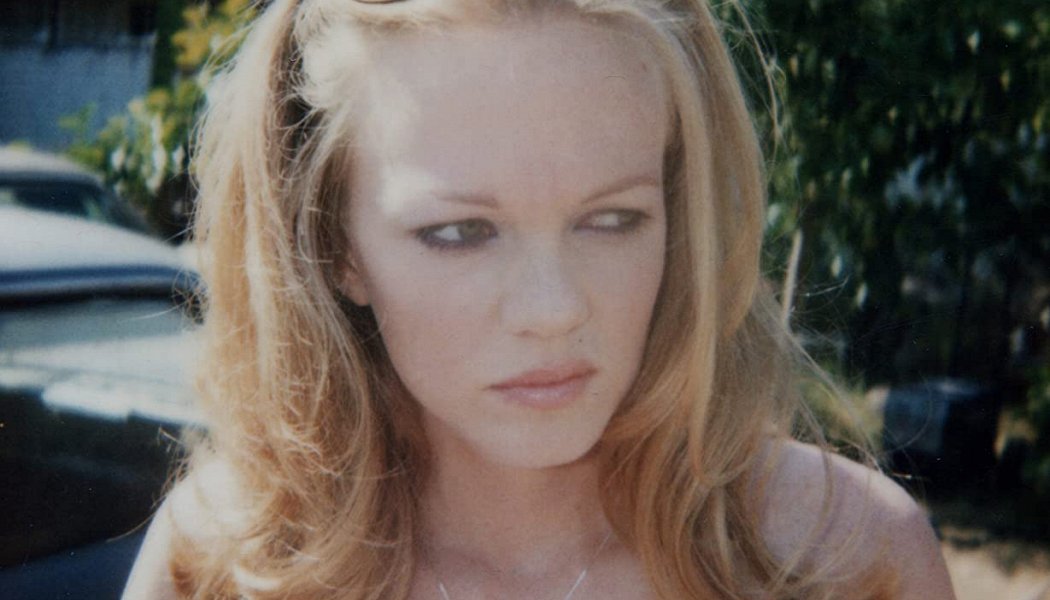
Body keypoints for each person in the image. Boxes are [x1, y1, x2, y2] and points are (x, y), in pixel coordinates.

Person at [123, 0, 956, 598]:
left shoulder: (846, 560)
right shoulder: (225, 563)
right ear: (336, 247)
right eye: (460, 232)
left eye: (613, 219)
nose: (553, 309)